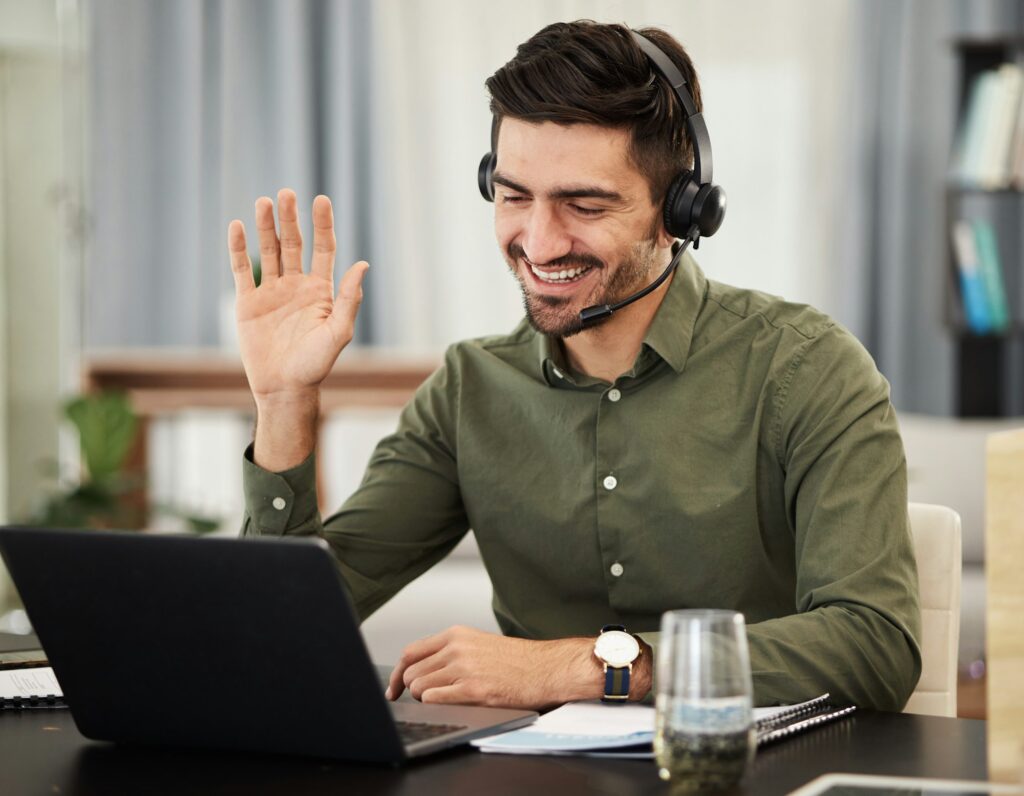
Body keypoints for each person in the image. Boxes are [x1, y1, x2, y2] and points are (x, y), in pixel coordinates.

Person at [227, 20, 921, 712]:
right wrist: (284, 402)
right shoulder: (470, 390)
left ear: (682, 211)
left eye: (583, 205)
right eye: (513, 195)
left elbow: (875, 644)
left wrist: (590, 667)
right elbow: (273, 629)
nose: (538, 240)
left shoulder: (806, 369)